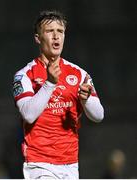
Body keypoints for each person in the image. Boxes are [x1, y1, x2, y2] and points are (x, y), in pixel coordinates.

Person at [12, 10, 104, 179]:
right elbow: (28, 114)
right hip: (39, 163)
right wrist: (50, 83)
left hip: (70, 162)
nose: (56, 36)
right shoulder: (24, 75)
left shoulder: (79, 74)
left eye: (60, 31)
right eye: (49, 31)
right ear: (38, 38)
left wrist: (86, 101)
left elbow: (98, 115)